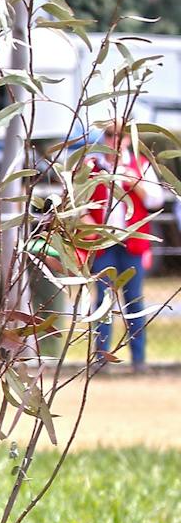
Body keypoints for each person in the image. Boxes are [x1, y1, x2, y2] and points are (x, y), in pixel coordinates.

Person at [88, 122, 165, 367]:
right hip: (103, 244)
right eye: (110, 136)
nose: (115, 141)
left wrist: (135, 184)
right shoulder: (93, 166)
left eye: (120, 136)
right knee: (102, 301)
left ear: (128, 139)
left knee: (134, 301)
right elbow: (78, 200)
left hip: (132, 244)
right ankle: (101, 359)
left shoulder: (140, 165)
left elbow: (156, 200)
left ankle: (138, 359)